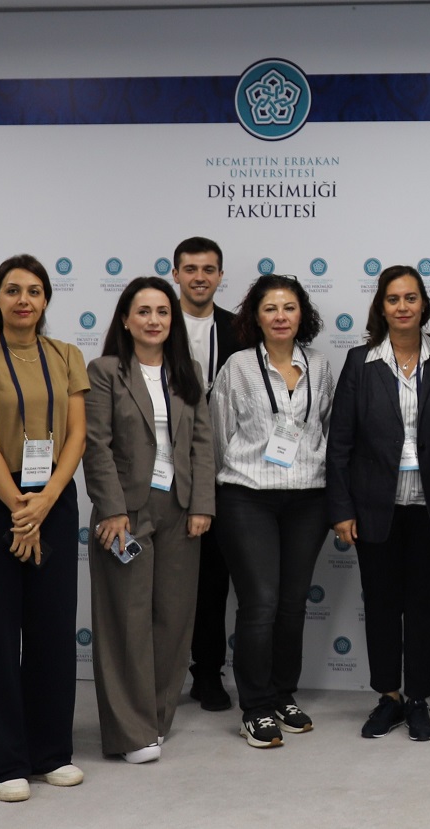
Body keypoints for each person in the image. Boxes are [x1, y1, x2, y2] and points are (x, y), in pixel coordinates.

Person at [0, 254, 89, 802]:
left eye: (33, 291)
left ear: (46, 299)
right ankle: (4, 761)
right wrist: (18, 508)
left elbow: (76, 436)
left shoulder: (67, 355)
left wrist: (44, 503)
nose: (23, 300)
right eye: (12, 290)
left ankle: (50, 753)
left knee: (52, 630)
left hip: (53, 500)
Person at [327, 266, 430, 742]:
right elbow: (340, 443)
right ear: (382, 306)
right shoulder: (359, 362)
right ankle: (388, 697)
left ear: (424, 305)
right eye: (393, 299)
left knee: (426, 606)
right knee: (381, 606)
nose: (403, 307)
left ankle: (417, 699)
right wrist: (342, 509)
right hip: (376, 508)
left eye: (411, 298)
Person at [82, 277, 215, 763]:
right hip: (126, 511)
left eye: (162, 311)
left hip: (180, 507)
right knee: (126, 620)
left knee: (173, 620)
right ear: (125, 319)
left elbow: (202, 441)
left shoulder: (187, 371)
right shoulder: (104, 371)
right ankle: (129, 732)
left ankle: (155, 720)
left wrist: (202, 504)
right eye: (143, 311)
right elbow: (95, 445)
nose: (154, 320)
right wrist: (112, 509)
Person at [212, 274, 334, 748]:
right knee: (260, 603)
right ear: (256, 317)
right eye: (270, 309)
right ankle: (256, 707)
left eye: (289, 307)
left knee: (292, 603)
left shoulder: (320, 365)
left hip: (308, 498)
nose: (280, 316)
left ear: (302, 314)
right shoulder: (238, 367)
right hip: (248, 496)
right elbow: (219, 433)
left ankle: (284, 695)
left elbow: (325, 428)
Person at [172, 236, 243, 712]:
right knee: (163, 581)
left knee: (214, 581)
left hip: (222, 470)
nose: (200, 277)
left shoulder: (239, 330)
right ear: (175, 273)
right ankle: (159, 673)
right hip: (166, 471)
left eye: (209, 269)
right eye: (191, 269)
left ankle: (208, 673)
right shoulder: (157, 322)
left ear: (220, 275)